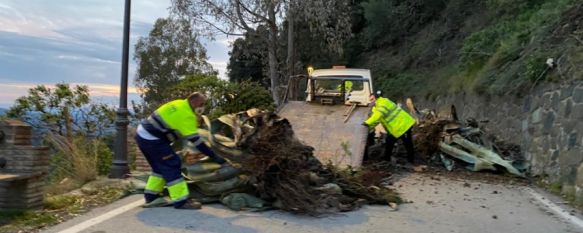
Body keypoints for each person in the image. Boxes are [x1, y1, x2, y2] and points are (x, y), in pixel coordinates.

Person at [135, 92, 228, 209]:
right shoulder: (187, 115)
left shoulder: (179, 103)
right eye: (202, 104)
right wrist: (214, 156)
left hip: (142, 134)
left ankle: (150, 195)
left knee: (159, 167)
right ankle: (181, 201)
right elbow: (197, 142)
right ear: (193, 102)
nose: (203, 107)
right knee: (172, 164)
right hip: (153, 139)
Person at [363, 91, 416, 163]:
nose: (370, 101)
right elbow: (376, 120)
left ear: (377, 98)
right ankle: (387, 159)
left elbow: (378, 115)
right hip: (397, 128)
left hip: (404, 125)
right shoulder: (376, 107)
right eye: (370, 100)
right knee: (390, 142)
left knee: (407, 143)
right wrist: (368, 129)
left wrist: (366, 123)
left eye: (372, 99)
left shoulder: (383, 102)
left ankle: (410, 161)